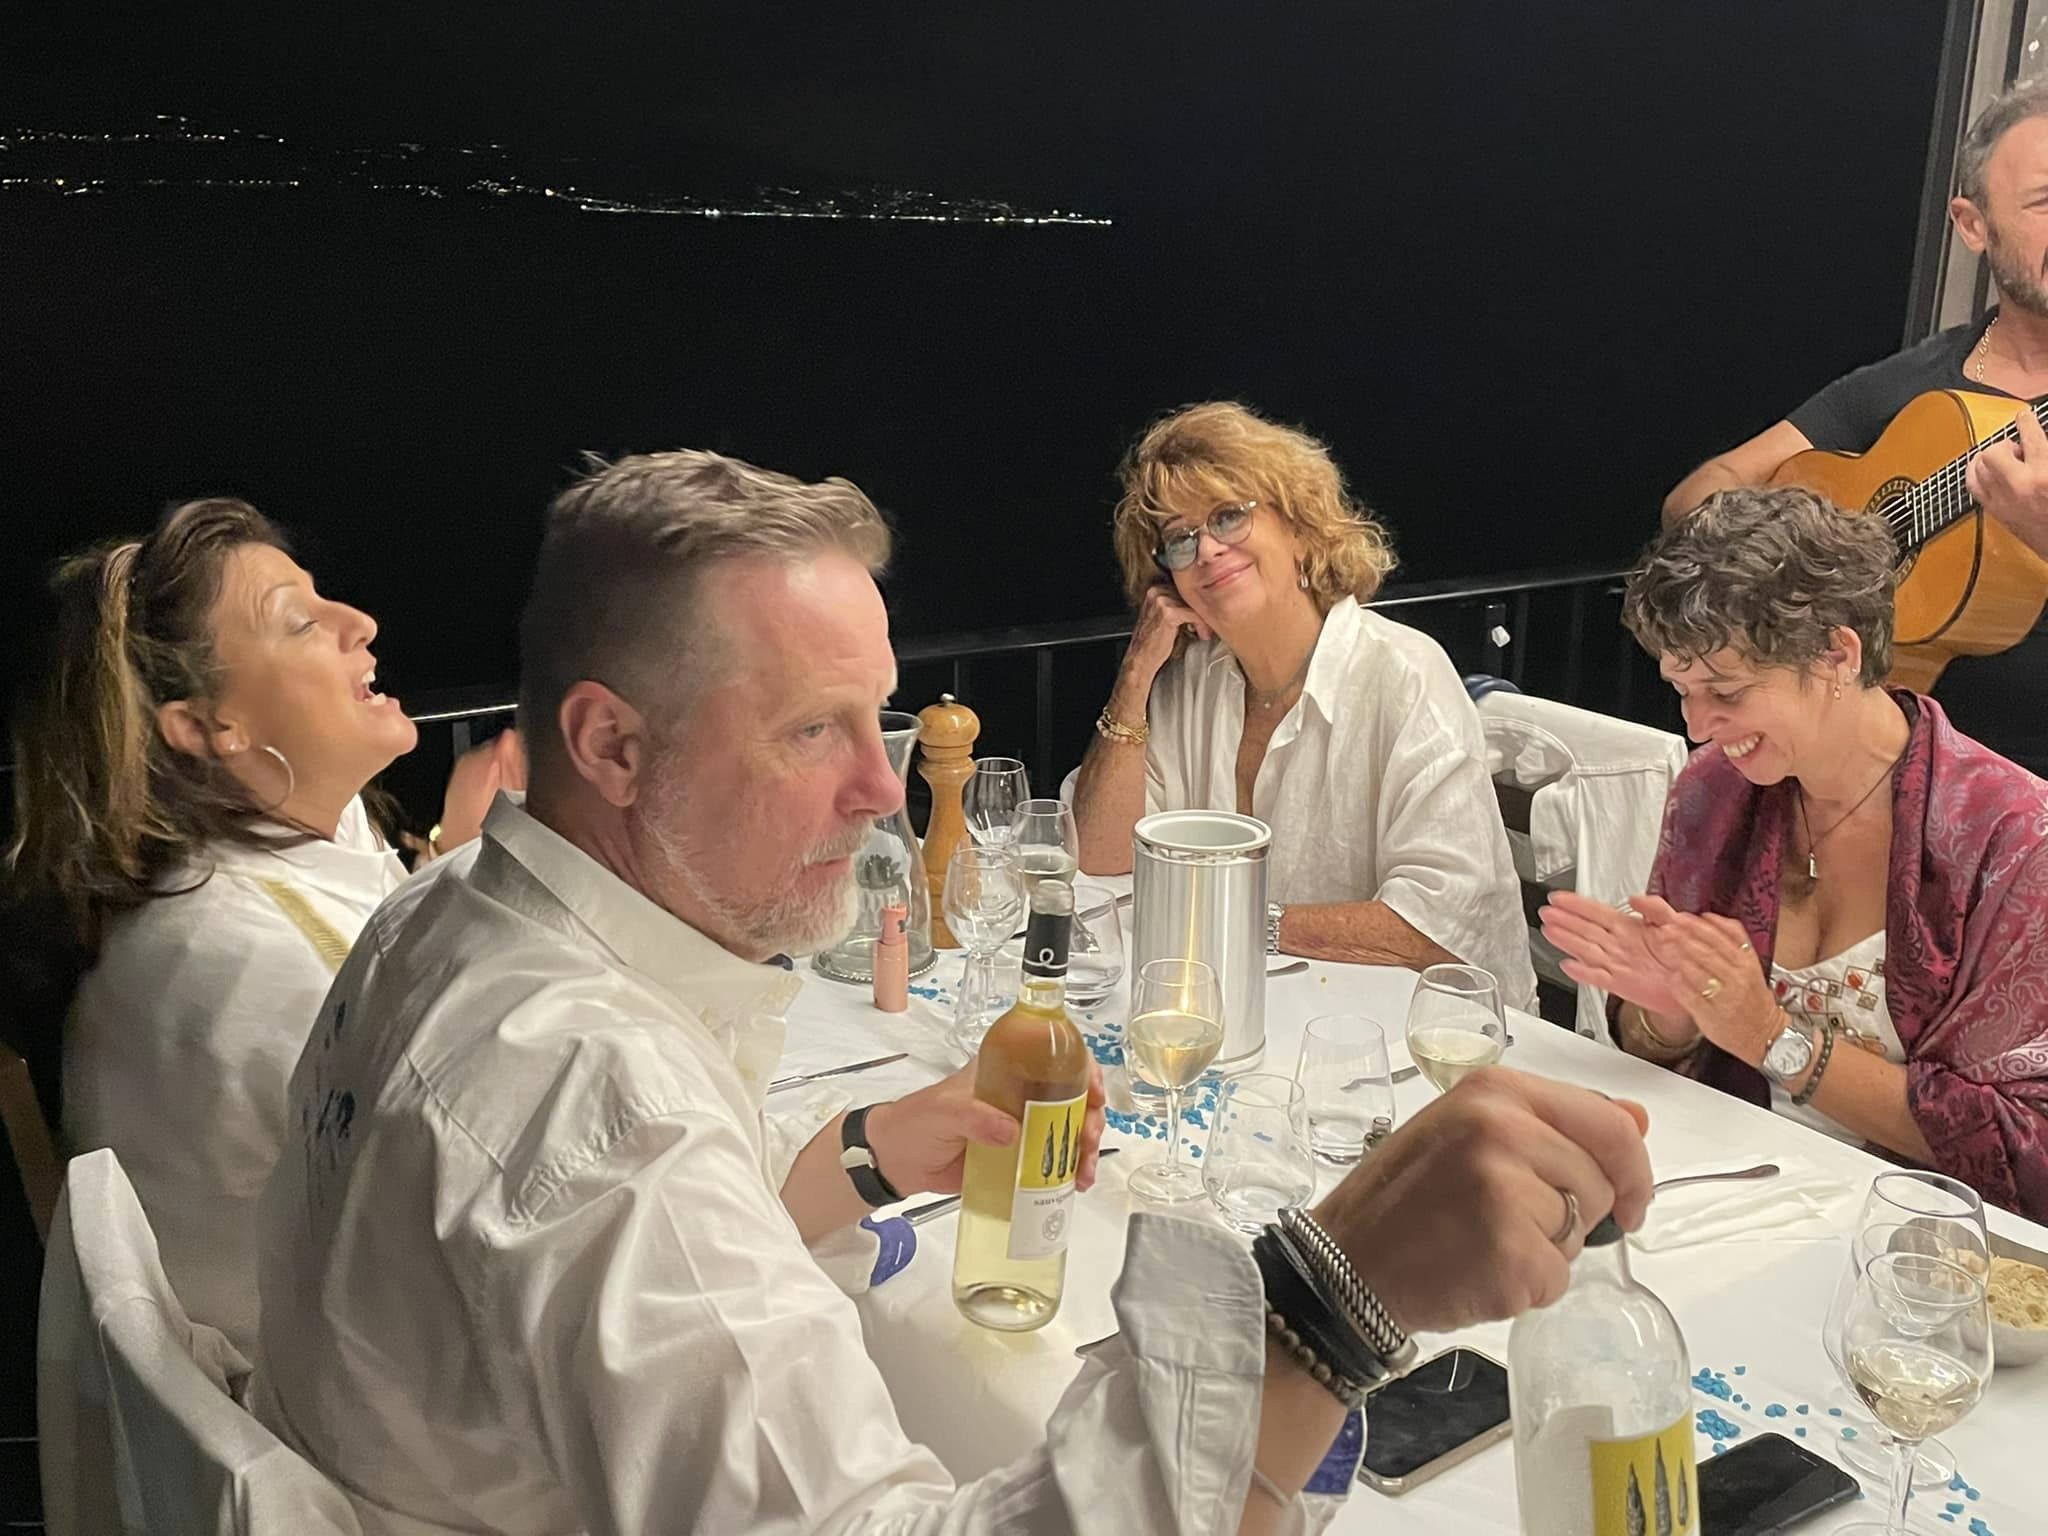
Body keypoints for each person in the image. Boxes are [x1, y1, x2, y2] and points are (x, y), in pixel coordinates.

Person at [256, 449, 1652, 1534]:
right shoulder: (596, 1103)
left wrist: (870, 1149)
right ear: (611, 747)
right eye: (814, 731)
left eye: (877, 718)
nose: (881, 790)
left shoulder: (444, 909)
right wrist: (1328, 1301)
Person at [5, 496, 518, 1354]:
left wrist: (455, 853)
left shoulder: (285, 844)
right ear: (209, 727)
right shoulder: (251, 960)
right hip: (348, 1382)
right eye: (300, 622)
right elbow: (498, 1197)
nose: (359, 623)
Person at [1542, 486, 2048, 1223]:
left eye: (1727, 691)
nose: (1699, 726)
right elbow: (1663, 1054)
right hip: (1723, 1197)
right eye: (1681, 690)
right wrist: (1670, 1016)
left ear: (1838, 653)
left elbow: (2023, 1150)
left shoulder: (2012, 837)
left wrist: (1773, 1038)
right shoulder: (1714, 791)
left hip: (1912, 1239)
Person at [1072, 402, 1536, 1006]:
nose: (1206, 550)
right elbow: (1101, 857)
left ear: (1299, 527)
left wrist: (1239, 923)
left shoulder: (1403, 675)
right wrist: (1135, 676)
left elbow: (1435, 924)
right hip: (1252, 1004)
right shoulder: (1190, 682)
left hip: (1424, 1027)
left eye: (1228, 517)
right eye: (1179, 540)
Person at [1662, 79, 2048, 776]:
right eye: (2046, 202)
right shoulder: (1909, 384)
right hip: (1869, 786)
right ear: (1972, 224)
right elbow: (1698, 497)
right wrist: (1810, 567)